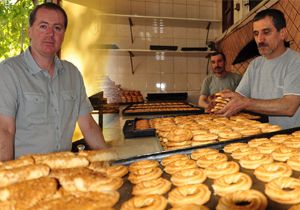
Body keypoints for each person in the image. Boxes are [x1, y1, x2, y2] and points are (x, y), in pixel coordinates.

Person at [0, 3, 107, 161]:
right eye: (43, 26)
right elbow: (5, 130)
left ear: (64, 34)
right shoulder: (9, 72)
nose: (50, 34)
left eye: (57, 28)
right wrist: (6, 178)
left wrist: (110, 160)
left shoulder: (72, 74)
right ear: (30, 31)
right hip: (25, 174)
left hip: (62, 171)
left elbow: (89, 126)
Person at [216, 9, 300, 129]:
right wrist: (224, 99)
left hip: (290, 140)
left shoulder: (296, 62)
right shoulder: (255, 65)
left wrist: (246, 103)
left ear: (282, 33)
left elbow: (289, 107)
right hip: (257, 138)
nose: (260, 39)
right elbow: (240, 96)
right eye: (256, 34)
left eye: (266, 32)